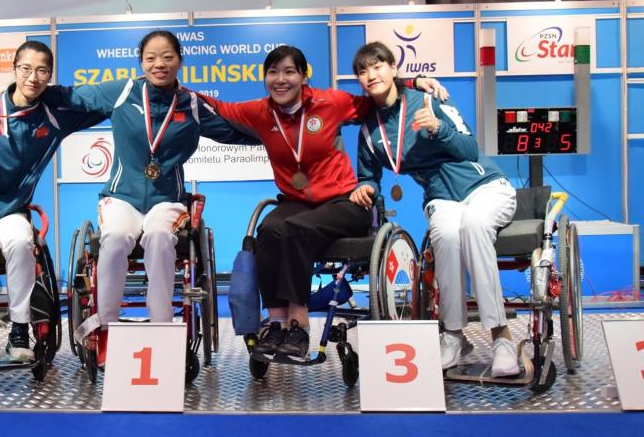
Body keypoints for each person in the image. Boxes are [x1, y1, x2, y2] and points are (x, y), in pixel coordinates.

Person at [198, 45, 447, 362]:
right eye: (273, 72)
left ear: (303, 76)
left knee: (294, 229)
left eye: (289, 71)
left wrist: (412, 83)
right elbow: (218, 107)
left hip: (346, 201)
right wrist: (171, 87)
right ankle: (275, 323)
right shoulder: (260, 112)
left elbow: (376, 97)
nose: (280, 79)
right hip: (297, 202)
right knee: (270, 230)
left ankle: (298, 326)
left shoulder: (331, 102)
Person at [39, 30, 258, 367]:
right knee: (113, 239)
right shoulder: (123, 91)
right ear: (141, 62)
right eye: (151, 58)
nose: (159, 64)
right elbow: (71, 96)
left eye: (167, 57)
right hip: (121, 196)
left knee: (158, 237)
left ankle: (162, 329)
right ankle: (106, 329)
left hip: (167, 199)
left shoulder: (192, 104)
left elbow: (233, 130)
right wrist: (21, 90)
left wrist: (275, 134)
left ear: (180, 61)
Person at [348, 41, 519, 377]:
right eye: (363, 70)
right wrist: (365, 186)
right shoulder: (368, 129)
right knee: (445, 235)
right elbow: (369, 175)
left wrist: (438, 129)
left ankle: (502, 338)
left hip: (485, 187)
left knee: (472, 225)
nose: (371, 75)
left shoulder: (428, 97)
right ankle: (453, 336)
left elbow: (469, 148)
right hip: (440, 197)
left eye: (378, 65)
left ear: (394, 68)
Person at [0, 41, 105, 365]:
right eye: (26, 69)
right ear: (15, 69)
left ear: (49, 75)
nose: (33, 77)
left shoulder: (53, 115)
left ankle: (19, 332)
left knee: (21, 243)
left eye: (42, 71)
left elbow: (101, 106)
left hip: (11, 209)